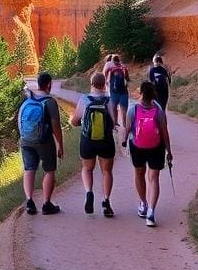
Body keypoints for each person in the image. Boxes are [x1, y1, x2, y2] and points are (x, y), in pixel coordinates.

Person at [122, 81, 173, 227]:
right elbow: (164, 132)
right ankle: (151, 211)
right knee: (154, 177)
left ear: (141, 93)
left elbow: (127, 129)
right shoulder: (159, 111)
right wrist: (169, 151)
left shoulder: (133, 109)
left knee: (139, 173)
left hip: (137, 146)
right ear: (153, 95)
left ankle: (143, 204)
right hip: (156, 147)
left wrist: (124, 142)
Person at [69, 72, 116, 217]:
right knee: (106, 172)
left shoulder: (84, 99)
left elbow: (75, 120)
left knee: (87, 169)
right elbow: (114, 122)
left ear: (92, 84)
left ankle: (89, 193)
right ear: (104, 84)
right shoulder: (109, 100)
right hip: (106, 141)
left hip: (87, 140)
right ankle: (106, 201)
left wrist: (77, 122)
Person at [18, 72, 64, 215]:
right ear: (49, 84)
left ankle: (30, 201)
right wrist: (60, 144)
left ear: (38, 84)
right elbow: (55, 125)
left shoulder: (28, 100)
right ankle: (46, 204)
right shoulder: (50, 102)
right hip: (44, 140)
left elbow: (19, 120)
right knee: (49, 170)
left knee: (29, 169)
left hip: (26, 140)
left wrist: (24, 137)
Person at [106, 54, 130, 128]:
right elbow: (127, 79)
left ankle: (115, 123)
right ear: (119, 60)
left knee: (114, 108)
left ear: (112, 61)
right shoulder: (124, 68)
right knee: (124, 109)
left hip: (114, 92)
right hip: (124, 92)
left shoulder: (110, 68)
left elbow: (107, 80)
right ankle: (125, 125)